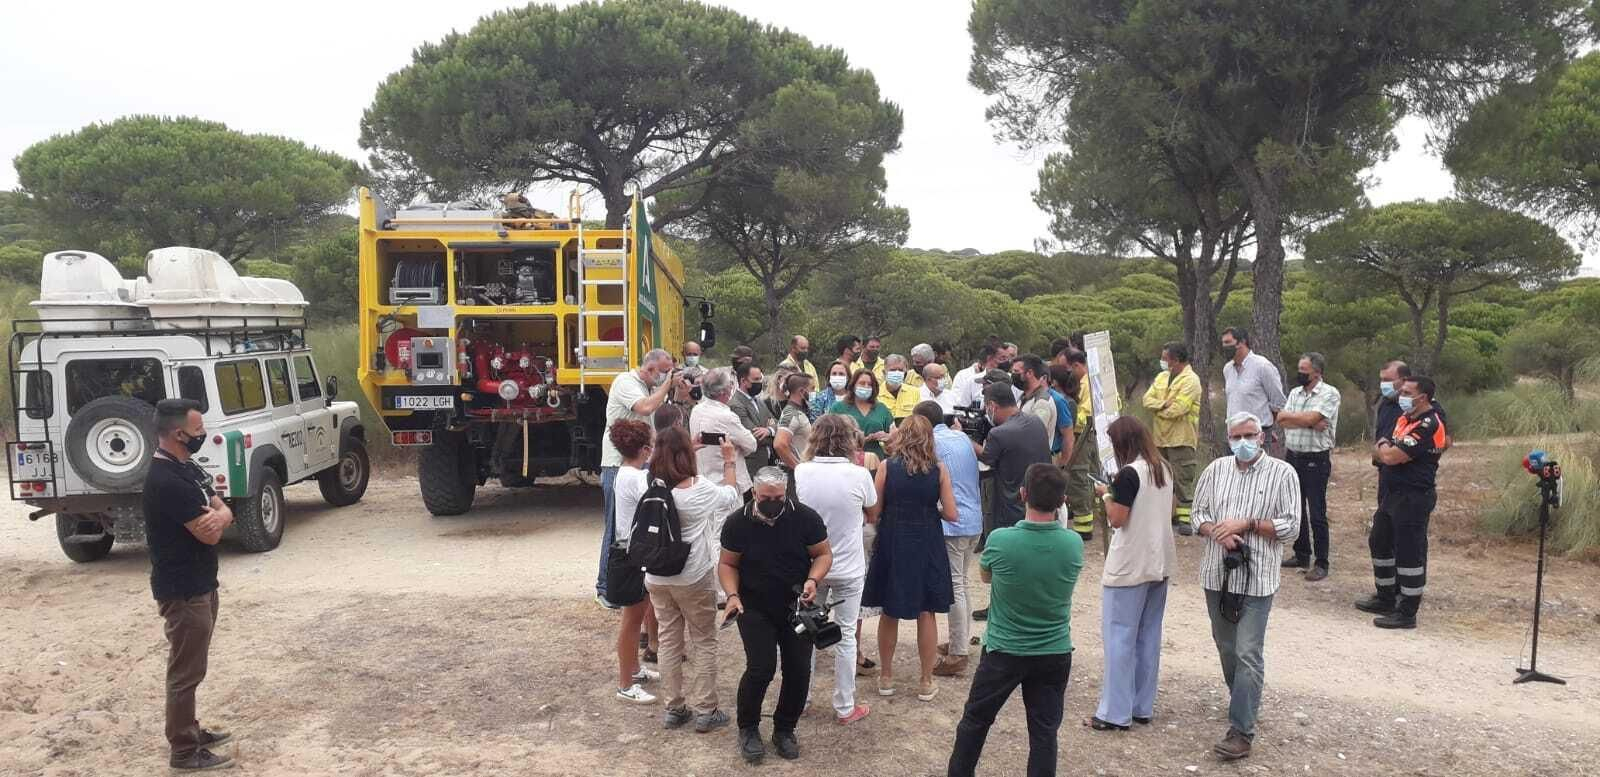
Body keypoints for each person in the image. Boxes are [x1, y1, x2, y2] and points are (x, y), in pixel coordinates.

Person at [946, 464, 1085, 777]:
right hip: (1053, 651)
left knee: (976, 721)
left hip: (1004, 650)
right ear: (1062, 501)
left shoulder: (1000, 540)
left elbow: (985, 577)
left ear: (1023, 494)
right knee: (1044, 733)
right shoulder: (1073, 544)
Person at [1190, 412, 1301, 761]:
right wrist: (1218, 532)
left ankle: (1241, 730)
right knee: (1226, 648)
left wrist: (1249, 524)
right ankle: (1244, 701)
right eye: (1237, 436)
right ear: (1228, 438)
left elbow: (1291, 526)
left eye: (1250, 435)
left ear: (1263, 436)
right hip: (1217, 574)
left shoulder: (1283, 474)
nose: (1243, 442)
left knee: (1247, 651)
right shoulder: (1215, 470)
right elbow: (1197, 515)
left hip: (1258, 577)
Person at [143, 398, 236, 771]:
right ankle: (183, 751)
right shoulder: (165, 480)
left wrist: (222, 515)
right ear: (177, 434)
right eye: (198, 431)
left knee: (193, 669)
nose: (203, 436)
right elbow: (210, 535)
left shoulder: (188, 468)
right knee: (185, 674)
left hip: (201, 583)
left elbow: (221, 507)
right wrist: (221, 518)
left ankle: (191, 730)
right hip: (182, 590)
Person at [719, 467, 833, 764]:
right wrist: (732, 596)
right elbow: (728, 563)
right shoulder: (737, 522)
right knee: (761, 667)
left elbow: (823, 553)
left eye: (779, 497)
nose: (773, 502)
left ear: (787, 494)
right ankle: (748, 729)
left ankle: (785, 729)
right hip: (753, 605)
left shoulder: (805, 518)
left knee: (798, 669)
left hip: (796, 606)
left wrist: (813, 580)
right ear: (755, 493)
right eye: (766, 497)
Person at [646, 427, 741, 733]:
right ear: (687, 454)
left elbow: (662, 464)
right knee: (703, 640)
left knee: (670, 640)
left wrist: (684, 451)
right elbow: (731, 495)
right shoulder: (697, 488)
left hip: (657, 575)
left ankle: (674, 707)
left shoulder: (652, 483)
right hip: (692, 574)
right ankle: (706, 709)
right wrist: (728, 461)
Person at [1088, 417, 1176, 731]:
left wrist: (1105, 494)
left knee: (1119, 636)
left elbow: (1117, 519)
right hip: (1160, 560)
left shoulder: (1129, 474)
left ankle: (1114, 711)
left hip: (1130, 563)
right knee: (1148, 636)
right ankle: (1142, 705)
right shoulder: (1162, 468)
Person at [864, 416, 959, 701]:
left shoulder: (886, 467)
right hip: (927, 540)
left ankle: (886, 676)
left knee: (890, 610)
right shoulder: (939, 469)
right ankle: (926, 680)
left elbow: (874, 512)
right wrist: (933, 510)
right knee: (926, 610)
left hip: (893, 539)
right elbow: (952, 514)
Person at [795, 414, 881, 725]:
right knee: (846, 636)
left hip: (810, 569)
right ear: (849, 440)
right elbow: (872, 513)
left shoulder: (801, 472)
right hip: (848, 566)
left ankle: (800, 699)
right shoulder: (859, 475)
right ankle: (845, 706)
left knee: (805, 631)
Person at [598, 349, 684, 608]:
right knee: (615, 528)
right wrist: (668, 385)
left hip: (637, 463)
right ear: (650, 368)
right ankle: (606, 588)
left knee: (636, 526)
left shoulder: (646, 388)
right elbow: (645, 408)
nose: (668, 376)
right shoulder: (626, 382)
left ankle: (629, 585)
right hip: (617, 463)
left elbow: (655, 424)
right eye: (666, 371)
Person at [1360, 375, 1447, 630]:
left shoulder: (1429, 423)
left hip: (1414, 496)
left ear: (1423, 397)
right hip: (1392, 493)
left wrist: (1385, 450)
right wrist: (1385, 450)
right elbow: (1381, 451)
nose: (1401, 395)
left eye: (1408, 392)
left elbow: (1392, 455)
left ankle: (1407, 610)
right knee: (1379, 540)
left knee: (1409, 552)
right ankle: (1386, 597)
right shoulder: (1404, 419)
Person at [911, 402, 983, 678]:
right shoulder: (961, 436)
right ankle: (959, 640)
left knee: (954, 585)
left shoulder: (932, 445)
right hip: (973, 519)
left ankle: (959, 653)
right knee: (961, 583)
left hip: (953, 522)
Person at [971, 382, 1052, 621]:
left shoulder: (999, 433)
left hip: (1008, 504)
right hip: (1035, 500)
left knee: (1006, 560)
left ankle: (1001, 605)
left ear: (993, 406)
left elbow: (987, 458)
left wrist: (967, 441)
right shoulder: (1034, 422)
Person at [608, 419, 662, 704]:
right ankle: (625, 684)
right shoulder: (635, 478)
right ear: (644, 448)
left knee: (637, 614)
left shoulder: (627, 472)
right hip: (631, 553)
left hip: (632, 551)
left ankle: (635, 670)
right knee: (631, 621)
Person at [1277, 352, 1341, 581]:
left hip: (1316, 458)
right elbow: (1282, 419)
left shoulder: (1329, 393)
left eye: (1304, 370)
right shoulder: (1295, 392)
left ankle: (1321, 562)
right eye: (1299, 368)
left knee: (1316, 511)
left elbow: (1306, 419)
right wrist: (1308, 421)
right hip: (1293, 455)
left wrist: (1302, 419)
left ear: (1317, 372)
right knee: (1296, 507)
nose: (1300, 373)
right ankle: (1301, 553)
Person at [1142, 342, 1201, 536]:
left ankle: (1185, 520)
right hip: (1160, 439)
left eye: (1165, 358)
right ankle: (1168, 515)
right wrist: (1163, 404)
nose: (1162, 362)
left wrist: (1158, 410)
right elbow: (1146, 400)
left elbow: (1179, 409)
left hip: (1181, 438)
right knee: (1161, 477)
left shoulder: (1191, 380)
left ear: (1175, 360)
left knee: (1183, 480)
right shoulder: (1161, 377)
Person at [689, 367, 758, 494]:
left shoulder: (696, 410)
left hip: (702, 480)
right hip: (726, 482)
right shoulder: (726, 416)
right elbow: (751, 444)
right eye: (730, 385)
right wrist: (738, 449)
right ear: (723, 392)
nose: (732, 388)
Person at [1220, 327, 1287, 457]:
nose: (1224, 346)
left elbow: (1278, 402)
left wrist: (1264, 426)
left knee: (1258, 475)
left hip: (1256, 436)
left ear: (1241, 342)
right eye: (1223, 343)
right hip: (1233, 435)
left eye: (1228, 342)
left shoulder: (1263, 366)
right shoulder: (1227, 369)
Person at [1061, 349, 1097, 541]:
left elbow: (1086, 416)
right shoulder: (1082, 383)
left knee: (1080, 477)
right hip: (1079, 435)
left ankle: (1084, 527)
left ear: (1076, 365)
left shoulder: (1089, 384)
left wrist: (1066, 419)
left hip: (1084, 436)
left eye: (1068, 369)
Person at [829, 368, 894, 459]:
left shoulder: (882, 409)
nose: (866, 386)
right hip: (846, 458)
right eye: (862, 383)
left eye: (870, 384)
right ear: (853, 385)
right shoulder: (838, 408)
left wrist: (887, 438)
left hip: (874, 460)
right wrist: (863, 439)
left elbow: (894, 439)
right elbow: (829, 436)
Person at [730, 362, 777, 482]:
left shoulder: (758, 401)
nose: (759, 383)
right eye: (755, 379)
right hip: (751, 466)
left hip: (767, 462)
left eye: (760, 379)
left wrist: (769, 430)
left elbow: (776, 421)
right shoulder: (736, 405)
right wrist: (776, 435)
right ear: (744, 381)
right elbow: (754, 437)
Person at [1012, 355, 1057, 450]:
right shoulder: (1023, 397)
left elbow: (1034, 434)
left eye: (1016, 372)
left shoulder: (1042, 402)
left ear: (1029, 373)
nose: (1013, 375)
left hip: (1034, 459)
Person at [773, 373, 815, 470]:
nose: (814, 392)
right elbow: (779, 444)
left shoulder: (800, 412)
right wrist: (798, 468)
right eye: (812, 388)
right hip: (795, 476)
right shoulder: (791, 414)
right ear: (801, 391)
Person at [953, 342, 1002, 411]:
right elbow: (962, 406)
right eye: (1002, 358)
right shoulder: (972, 380)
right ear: (990, 358)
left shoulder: (1010, 381)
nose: (1007, 361)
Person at [1047, 365, 1077, 471]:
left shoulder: (1062, 402)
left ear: (1053, 382)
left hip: (1056, 454)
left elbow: (1068, 435)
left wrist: (1063, 463)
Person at [880, 354, 922, 420]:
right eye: (892, 370)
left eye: (900, 370)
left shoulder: (915, 392)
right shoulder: (875, 394)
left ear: (905, 373)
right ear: (884, 372)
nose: (897, 373)